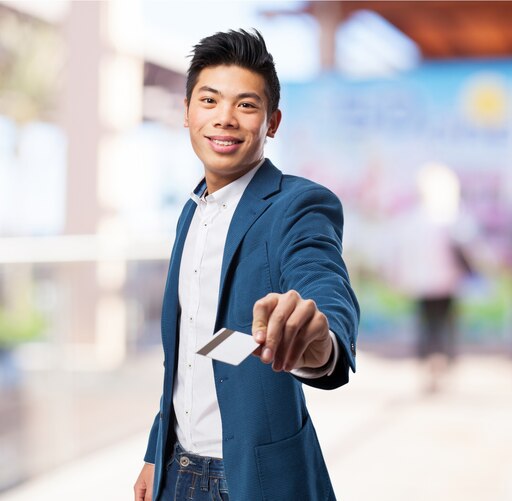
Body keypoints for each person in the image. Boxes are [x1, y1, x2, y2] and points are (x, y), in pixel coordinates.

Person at [133, 29, 359, 501]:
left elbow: (320, 279)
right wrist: (156, 453)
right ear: (187, 112)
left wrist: (320, 339)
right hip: (176, 471)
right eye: (210, 100)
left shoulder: (298, 205)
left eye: (246, 105)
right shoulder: (191, 211)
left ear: (272, 122)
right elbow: (185, 353)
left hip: (254, 478)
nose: (225, 119)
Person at [384, 162, 470, 392]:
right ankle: (442, 367)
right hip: (447, 281)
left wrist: (398, 276)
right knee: (445, 327)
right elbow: (467, 249)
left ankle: (429, 367)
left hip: (421, 283)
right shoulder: (451, 216)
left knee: (427, 326)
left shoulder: (411, 219)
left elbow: (398, 254)